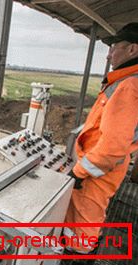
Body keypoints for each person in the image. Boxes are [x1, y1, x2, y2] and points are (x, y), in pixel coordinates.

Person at [64, 22, 138, 254]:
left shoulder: (128, 86)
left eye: (114, 47)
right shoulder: (126, 81)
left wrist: (79, 172)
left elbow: (112, 148)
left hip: (97, 173)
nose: (108, 54)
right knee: (91, 220)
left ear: (132, 50)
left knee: (83, 226)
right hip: (105, 169)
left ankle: (77, 256)